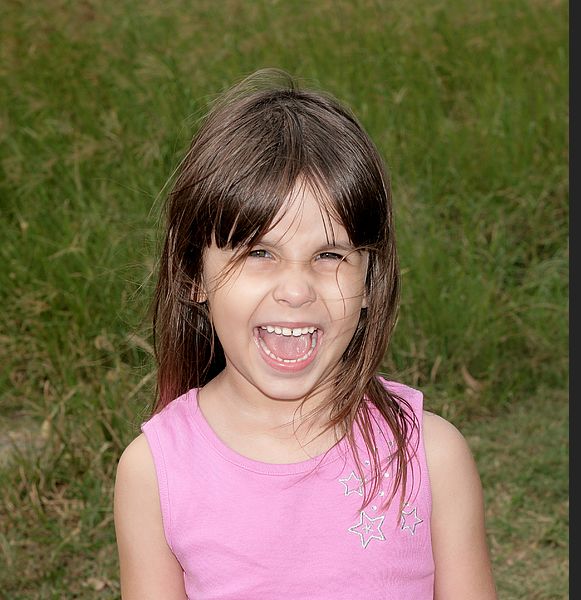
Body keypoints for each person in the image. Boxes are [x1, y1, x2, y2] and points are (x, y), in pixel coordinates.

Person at [114, 69, 498, 600]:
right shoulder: (154, 473)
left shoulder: (430, 456)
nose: (296, 290)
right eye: (259, 253)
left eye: (330, 255)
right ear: (192, 275)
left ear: (370, 279)